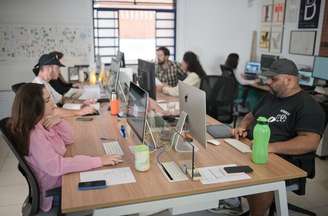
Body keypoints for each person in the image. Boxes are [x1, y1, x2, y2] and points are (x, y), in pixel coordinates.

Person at [8, 83, 123, 213]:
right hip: (57, 190)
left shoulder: (42, 122)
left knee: (103, 171)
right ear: (34, 106)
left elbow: (69, 139)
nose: (52, 103)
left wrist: (59, 120)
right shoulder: (34, 135)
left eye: (50, 97)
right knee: (111, 187)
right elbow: (57, 166)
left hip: (61, 177)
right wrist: (99, 160)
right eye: (47, 100)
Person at [233, 59, 325, 216]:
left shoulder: (308, 106)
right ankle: (230, 200)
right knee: (223, 156)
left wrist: (270, 147)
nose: (268, 82)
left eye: (273, 79)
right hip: (254, 147)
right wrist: (242, 127)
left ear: (289, 80)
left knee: (261, 179)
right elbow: (250, 116)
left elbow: (310, 142)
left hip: (284, 158)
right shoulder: (271, 96)